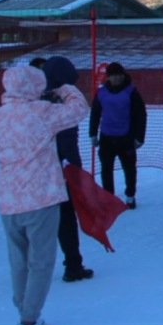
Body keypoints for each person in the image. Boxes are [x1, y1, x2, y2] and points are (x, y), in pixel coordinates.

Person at [0, 64, 90, 325]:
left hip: (8, 200)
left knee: (18, 260)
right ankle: (28, 323)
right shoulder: (41, 112)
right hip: (41, 198)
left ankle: (25, 311)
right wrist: (65, 89)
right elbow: (79, 110)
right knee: (41, 261)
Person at [31, 57, 95, 283]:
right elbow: (68, 137)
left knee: (39, 221)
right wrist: (73, 167)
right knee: (65, 218)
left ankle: (36, 267)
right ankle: (73, 264)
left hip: (36, 171)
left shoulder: (31, 101)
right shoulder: (63, 104)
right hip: (61, 169)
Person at [88, 62, 146, 209]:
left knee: (129, 169)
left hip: (126, 137)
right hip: (106, 137)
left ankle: (130, 196)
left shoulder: (131, 92)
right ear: (108, 77)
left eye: (119, 75)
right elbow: (95, 113)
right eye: (113, 75)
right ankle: (109, 198)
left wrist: (140, 137)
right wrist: (93, 134)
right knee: (106, 169)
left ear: (123, 75)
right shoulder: (101, 93)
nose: (117, 78)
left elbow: (141, 114)